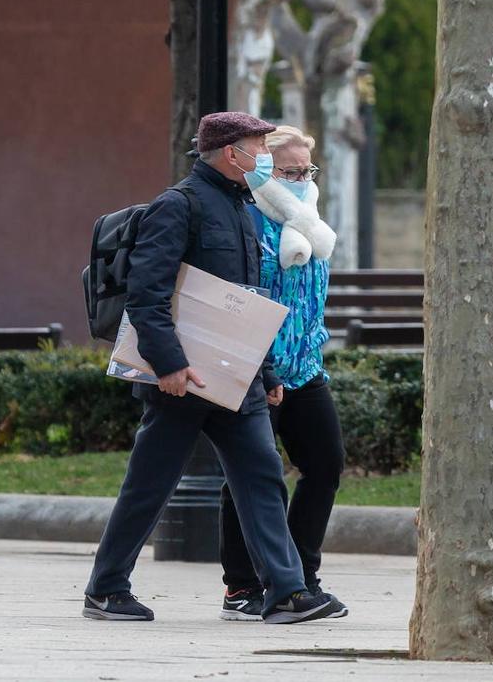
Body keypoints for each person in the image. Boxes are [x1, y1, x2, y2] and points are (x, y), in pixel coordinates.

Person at [81, 112, 343, 625]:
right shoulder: (177, 206)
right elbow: (147, 295)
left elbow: (244, 304)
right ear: (231, 154)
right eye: (257, 148)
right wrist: (169, 365)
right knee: (150, 485)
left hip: (234, 379)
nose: (263, 158)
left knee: (262, 476)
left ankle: (286, 593)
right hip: (181, 383)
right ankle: (106, 589)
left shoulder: (240, 206)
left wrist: (265, 373)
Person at [215, 126, 348, 622]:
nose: (301, 179)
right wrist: (259, 366)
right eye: (289, 171)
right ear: (264, 171)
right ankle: (243, 587)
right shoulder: (245, 219)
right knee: (251, 475)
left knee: (325, 464)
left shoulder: (308, 221)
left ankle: (300, 577)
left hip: (304, 367)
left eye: (306, 169)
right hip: (254, 367)